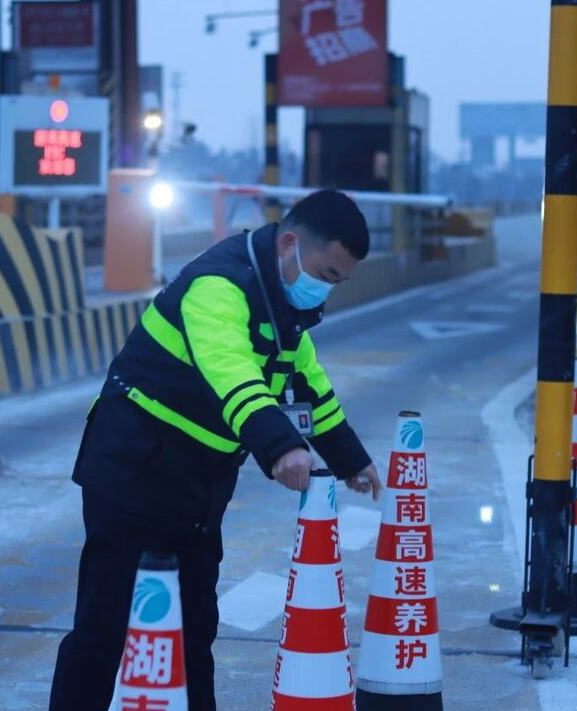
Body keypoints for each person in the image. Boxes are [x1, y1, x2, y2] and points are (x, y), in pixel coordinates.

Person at [49, 189, 382, 711]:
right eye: (327, 274)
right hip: (133, 470)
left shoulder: (281, 304)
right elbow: (231, 370)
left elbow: (307, 383)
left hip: (197, 487)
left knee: (193, 629)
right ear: (290, 243)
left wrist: (349, 458)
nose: (326, 289)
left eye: (338, 280)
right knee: (104, 628)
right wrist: (281, 448)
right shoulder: (218, 285)